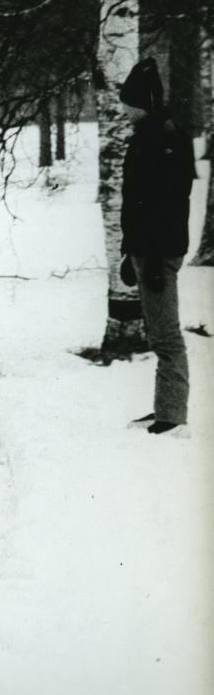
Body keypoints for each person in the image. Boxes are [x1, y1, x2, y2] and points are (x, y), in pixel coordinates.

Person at [118, 57, 196, 436]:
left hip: (159, 251)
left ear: (143, 103)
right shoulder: (147, 137)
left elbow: (169, 202)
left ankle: (173, 417)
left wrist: (151, 258)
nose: (124, 111)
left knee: (166, 336)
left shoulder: (165, 138)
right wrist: (127, 251)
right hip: (146, 248)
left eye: (129, 104)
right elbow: (135, 201)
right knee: (159, 333)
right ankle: (163, 409)